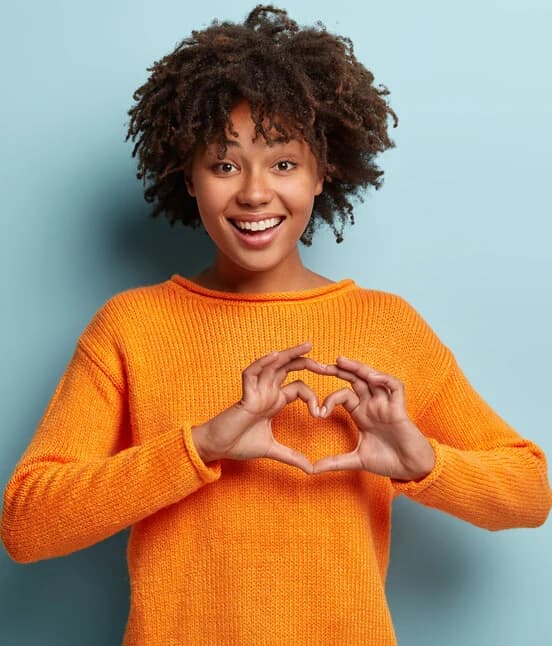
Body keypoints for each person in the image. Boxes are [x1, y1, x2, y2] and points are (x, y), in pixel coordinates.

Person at [1, 5, 550, 645]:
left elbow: (530, 491)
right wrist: (200, 446)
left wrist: (422, 462)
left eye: (284, 163)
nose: (255, 193)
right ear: (189, 177)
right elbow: (27, 524)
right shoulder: (131, 327)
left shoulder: (387, 326)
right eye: (225, 164)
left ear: (323, 172)